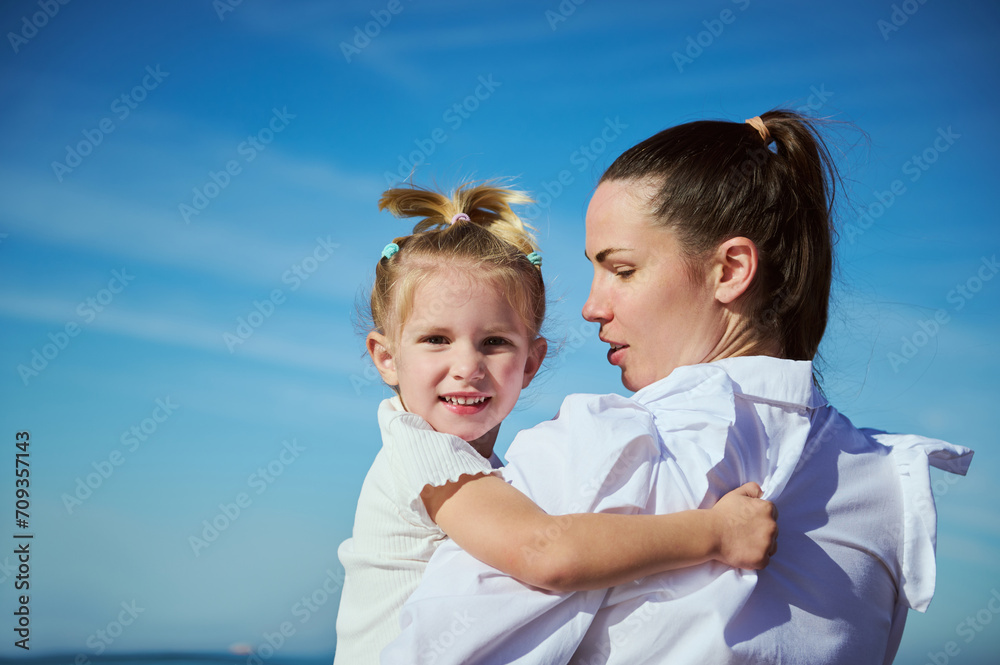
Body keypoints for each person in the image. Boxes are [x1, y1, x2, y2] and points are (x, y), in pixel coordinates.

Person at [384, 112, 974, 664]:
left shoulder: (605, 448)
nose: (590, 307)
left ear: (730, 270)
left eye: (622, 269)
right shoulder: (890, 488)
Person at [333, 182, 779, 665]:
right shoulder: (421, 452)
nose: (467, 366)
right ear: (386, 358)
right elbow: (545, 554)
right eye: (437, 339)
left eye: (494, 342)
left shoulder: (478, 464)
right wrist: (714, 534)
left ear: (530, 362)